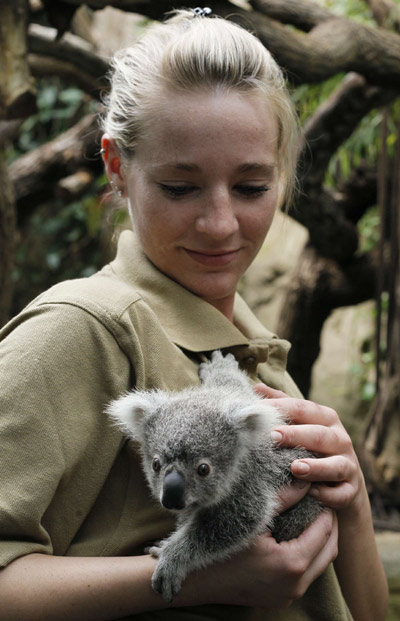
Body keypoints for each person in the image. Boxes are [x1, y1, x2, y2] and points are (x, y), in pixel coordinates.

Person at [0, 8, 388, 621]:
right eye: (181, 188)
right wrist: (201, 575)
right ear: (117, 167)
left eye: (252, 187)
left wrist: (354, 499)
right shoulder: (80, 331)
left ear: (284, 173)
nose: (220, 224)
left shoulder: (255, 360)